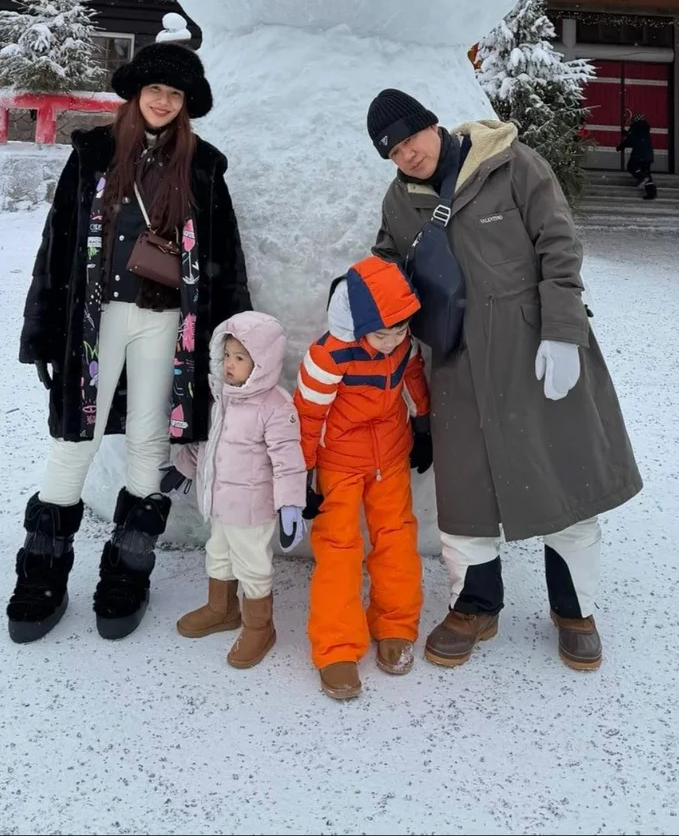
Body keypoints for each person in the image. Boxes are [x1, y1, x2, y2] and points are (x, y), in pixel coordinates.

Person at [367, 88, 642, 673]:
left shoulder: (512, 164)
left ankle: (574, 610)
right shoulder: (400, 199)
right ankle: (475, 605)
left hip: (535, 346)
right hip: (456, 358)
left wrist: (563, 331)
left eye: (410, 138)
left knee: (564, 475)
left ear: (433, 125)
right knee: (466, 488)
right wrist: (370, 304)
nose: (406, 154)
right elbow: (387, 259)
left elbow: (559, 245)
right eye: (392, 151)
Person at [6, 40, 250, 644]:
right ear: (136, 94)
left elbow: (225, 257)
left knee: (148, 440)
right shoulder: (93, 153)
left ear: (186, 104)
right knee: (75, 438)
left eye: (175, 94)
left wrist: (233, 336)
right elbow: (58, 241)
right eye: (155, 90)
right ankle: (42, 573)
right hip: (94, 320)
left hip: (166, 323)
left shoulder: (203, 166)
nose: (163, 101)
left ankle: (127, 571)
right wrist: (42, 330)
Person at [293, 256, 432, 702]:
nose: (391, 342)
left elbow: (413, 377)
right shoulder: (328, 356)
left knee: (396, 537)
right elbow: (307, 415)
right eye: (381, 334)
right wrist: (303, 474)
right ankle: (336, 646)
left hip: (390, 455)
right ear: (358, 325)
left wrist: (423, 425)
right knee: (339, 549)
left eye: (399, 330)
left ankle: (395, 623)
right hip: (339, 462)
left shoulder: (403, 344)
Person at [172, 311, 307, 668]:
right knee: (218, 553)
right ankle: (222, 608)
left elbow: (288, 460)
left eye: (241, 358)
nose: (230, 365)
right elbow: (208, 444)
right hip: (219, 503)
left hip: (251, 509)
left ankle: (260, 625)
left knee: (252, 565)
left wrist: (290, 505)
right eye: (227, 355)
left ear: (263, 362)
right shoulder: (221, 397)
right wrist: (183, 467)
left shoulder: (275, 407)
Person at [617, 113, 657, 199]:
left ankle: (643, 177)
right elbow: (638, 138)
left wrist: (621, 146)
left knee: (631, 167)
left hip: (639, 154)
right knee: (647, 172)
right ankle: (651, 193)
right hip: (648, 154)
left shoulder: (635, 127)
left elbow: (631, 140)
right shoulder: (645, 129)